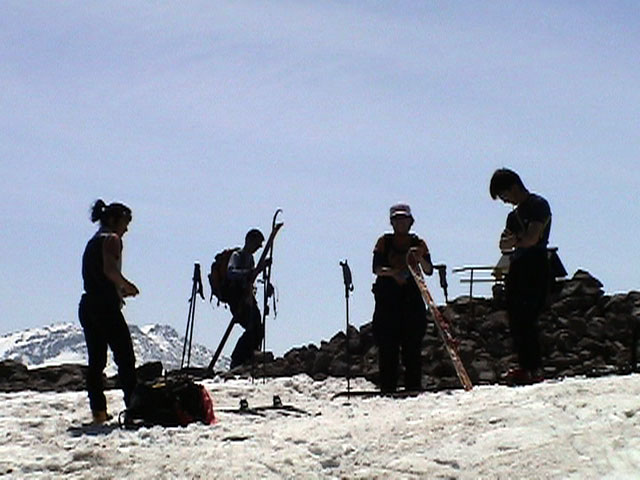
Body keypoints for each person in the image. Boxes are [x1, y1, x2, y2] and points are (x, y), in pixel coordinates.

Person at [78, 199, 139, 423]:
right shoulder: (112, 239)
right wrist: (127, 285)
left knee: (96, 362)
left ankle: (99, 411)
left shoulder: (92, 242)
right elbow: (110, 270)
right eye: (125, 223)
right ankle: (133, 406)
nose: (126, 229)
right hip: (105, 307)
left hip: (88, 305)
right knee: (125, 358)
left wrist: (118, 291)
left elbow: (97, 277)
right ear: (114, 220)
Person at [490, 168, 551, 385]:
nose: (505, 201)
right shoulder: (512, 216)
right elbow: (505, 245)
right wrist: (511, 244)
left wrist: (515, 241)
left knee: (528, 316)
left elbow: (532, 238)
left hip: (535, 264)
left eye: (504, 195)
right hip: (517, 266)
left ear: (513, 187)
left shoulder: (538, 205)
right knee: (515, 317)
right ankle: (525, 366)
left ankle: (534, 368)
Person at [372, 203, 434, 393]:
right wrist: (394, 273)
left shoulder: (419, 243)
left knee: (412, 347)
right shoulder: (384, 242)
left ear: (410, 221)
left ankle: (413, 387)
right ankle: (388, 387)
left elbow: (429, 270)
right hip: (388, 301)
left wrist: (419, 258)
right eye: (397, 220)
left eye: (404, 219)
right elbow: (376, 268)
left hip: (412, 301)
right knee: (387, 347)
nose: (401, 223)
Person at [227, 229, 271, 369]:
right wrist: (249, 272)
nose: (257, 248)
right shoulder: (237, 256)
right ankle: (237, 359)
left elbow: (252, 276)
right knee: (252, 327)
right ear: (249, 241)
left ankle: (248, 357)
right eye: (256, 244)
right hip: (237, 300)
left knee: (258, 328)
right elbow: (231, 273)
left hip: (248, 299)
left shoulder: (250, 259)